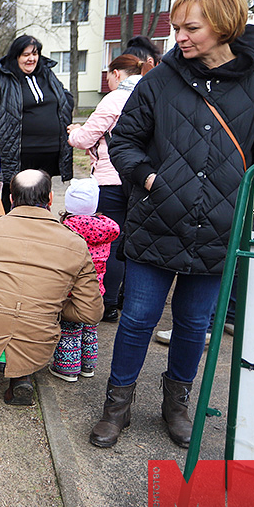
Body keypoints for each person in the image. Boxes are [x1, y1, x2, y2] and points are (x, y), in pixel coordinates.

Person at [90, 0, 254, 450]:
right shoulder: (162, 78)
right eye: (175, 27)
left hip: (220, 231)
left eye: (190, 28)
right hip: (157, 220)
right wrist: (149, 180)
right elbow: (124, 141)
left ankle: (176, 405)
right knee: (137, 319)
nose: (178, 37)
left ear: (224, 25)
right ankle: (116, 406)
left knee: (194, 324)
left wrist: (245, 197)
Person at [0, 170, 104, 405]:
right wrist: (54, 306)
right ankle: (20, 378)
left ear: (11, 198)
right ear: (51, 199)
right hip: (36, 349)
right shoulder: (76, 244)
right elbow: (91, 312)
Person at [66, 53, 151, 322]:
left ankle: (108, 303)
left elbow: (85, 138)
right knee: (133, 240)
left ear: (116, 74)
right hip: (143, 179)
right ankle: (129, 298)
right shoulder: (153, 95)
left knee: (110, 242)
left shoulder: (113, 100)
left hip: (112, 179)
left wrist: (74, 131)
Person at [0, 35, 74, 212]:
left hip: (49, 153)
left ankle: (40, 234)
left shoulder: (47, 75)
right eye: (25, 54)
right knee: (14, 198)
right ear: (16, 56)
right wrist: (0, 128)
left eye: (34, 54)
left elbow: (64, 96)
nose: (31, 59)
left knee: (41, 198)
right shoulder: (0, 78)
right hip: (18, 154)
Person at [49, 178, 119, 382]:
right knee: (90, 327)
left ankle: (67, 368)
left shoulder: (67, 230)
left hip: (72, 291)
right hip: (96, 290)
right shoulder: (105, 229)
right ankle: (88, 366)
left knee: (70, 328)